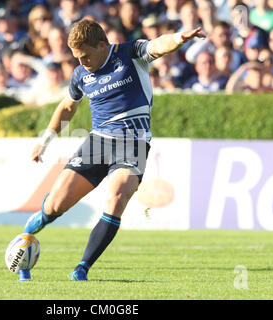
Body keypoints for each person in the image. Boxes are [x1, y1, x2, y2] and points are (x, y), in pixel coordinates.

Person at [23, 19, 204, 281]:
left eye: (85, 56)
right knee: (54, 204)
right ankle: (30, 231)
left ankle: (81, 268)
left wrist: (178, 39)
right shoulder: (80, 74)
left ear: (102, 45)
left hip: (134, 143)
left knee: (117, 195)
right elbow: (67, 107)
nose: (82, 62)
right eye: (77, 57)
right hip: (98, 142)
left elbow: (157, 45)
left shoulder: (129, 53)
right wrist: (45, 140)